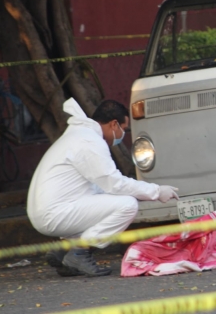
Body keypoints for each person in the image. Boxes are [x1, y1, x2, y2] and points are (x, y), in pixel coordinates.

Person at [27, 98, 179, 277]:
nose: (123, 134)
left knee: (109, 202)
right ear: (114, 124)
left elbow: (102, 188)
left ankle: (64, 253)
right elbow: (114, 183)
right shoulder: (90, 142)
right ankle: (79, 253)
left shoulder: (79, 136)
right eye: (123, 128)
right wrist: (157, 191)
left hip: (48, 212)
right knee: (127, 205)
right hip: (53, 214)